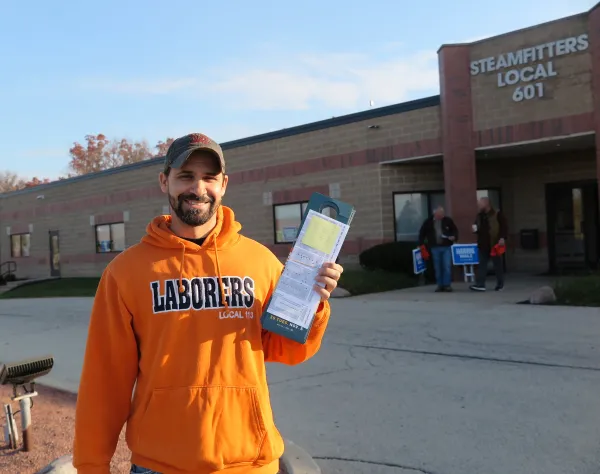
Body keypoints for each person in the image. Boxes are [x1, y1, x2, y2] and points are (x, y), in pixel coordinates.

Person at [72, 133, 344, 474]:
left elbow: (286, 350)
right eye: (185, 176)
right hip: (161, 465)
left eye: (209, 177)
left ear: (224, 184)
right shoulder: (125, 273)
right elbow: (104, 382)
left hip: (250, 464)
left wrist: (314, 304)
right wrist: (91, 466)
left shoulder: (259, 262)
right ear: (164, 181)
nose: (197, 188)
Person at [470, 196, 508, 292]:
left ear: (487, 204)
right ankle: (480, 284)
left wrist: (502, 237)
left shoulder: (497, 214)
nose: (478, 205)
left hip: (494, 243)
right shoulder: (479, 216)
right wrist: (475, 229)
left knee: (497, 265)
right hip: (483, 244)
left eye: (480, 204)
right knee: (482, 265)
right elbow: (477, 226)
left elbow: (504, 226)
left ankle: (500, 284)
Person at [418, 206, 458, 292]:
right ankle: (440, 285)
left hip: (446, 246)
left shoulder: (448, 220)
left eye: (443, 214)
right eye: (440, 214)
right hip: (434, 247)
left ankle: (447, 285)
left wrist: (454, 237)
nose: (442, 216)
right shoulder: (428, 222)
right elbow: (422, 233)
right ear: (435, 214)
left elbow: (454, 230)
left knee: (446, 266)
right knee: (438, 267)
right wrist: (421, 244)